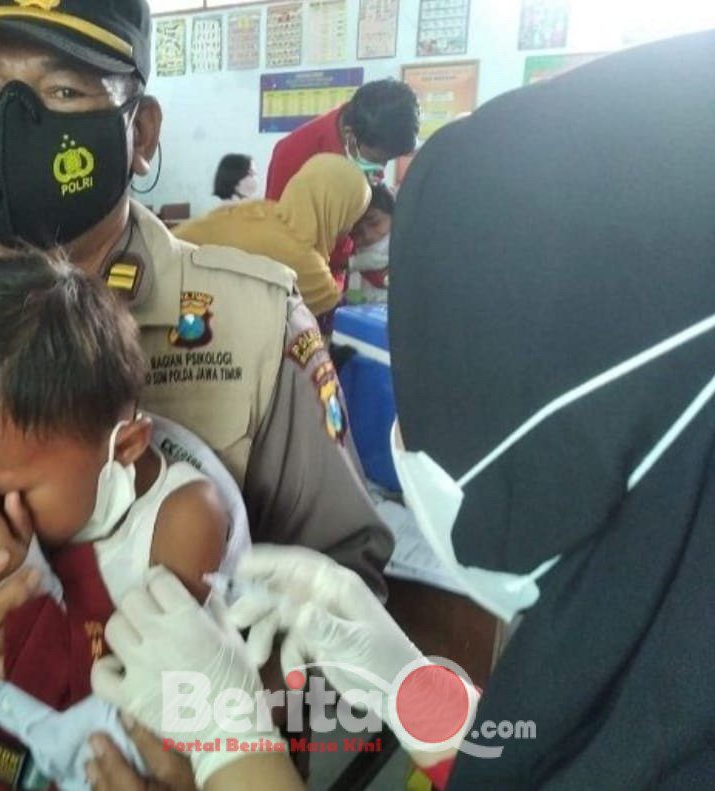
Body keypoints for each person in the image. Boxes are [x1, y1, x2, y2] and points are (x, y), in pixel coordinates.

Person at [91, 28, 715, 790]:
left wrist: (234, 749)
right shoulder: (653, 662)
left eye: (447, 396)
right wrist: (417, 693)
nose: (407, 442)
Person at [0, 0, 392, 786]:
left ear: (140, 133)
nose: (11, 118)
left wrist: (225, 743)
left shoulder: (249, 319)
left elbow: (346, 573)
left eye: (64, 91)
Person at [0, 254, 249, 788]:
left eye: (1, 492)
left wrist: (18, 591)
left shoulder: (183, 518)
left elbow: (137, 690)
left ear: (124, 447)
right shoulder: (32, 474)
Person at [174, 153, 370, 320]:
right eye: (352, 216)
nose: (350, 228)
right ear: (338, 210)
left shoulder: (264, 209)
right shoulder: (306, 264)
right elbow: (333, 321)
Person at [265, 79, 419, 200]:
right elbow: (278, 230)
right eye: (376, 159)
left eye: (387, 160)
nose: (381, 172)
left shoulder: (372, 134)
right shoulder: (293, 152)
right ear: (349, 134)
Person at [348, 183, 394, 304]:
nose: (368, 236)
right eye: (357, 232)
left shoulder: (412, 251)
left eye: (374, 223)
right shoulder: (349, 267)